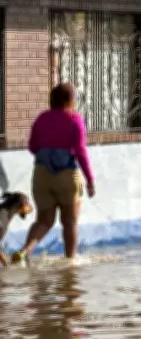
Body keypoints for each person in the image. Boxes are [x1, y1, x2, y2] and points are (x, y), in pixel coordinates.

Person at [12, 83, 95, 265]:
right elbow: (80, 152)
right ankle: (70, 263)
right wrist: (90, 179)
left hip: (42, 174)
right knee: (70, 222)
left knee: (44, 220)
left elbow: (33, 147)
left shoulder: (42, 119)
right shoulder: (75, 120)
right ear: (71, 100)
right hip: (67, 175)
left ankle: (24, 251)